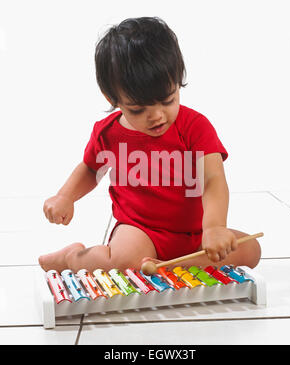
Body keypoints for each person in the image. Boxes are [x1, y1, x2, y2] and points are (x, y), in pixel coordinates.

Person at [39, 17, 261, 273]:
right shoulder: (109, 133)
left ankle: (168, 266)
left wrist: (214, 227)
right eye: (138, 109)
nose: (157, 115)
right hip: (139, 231)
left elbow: (212, 178)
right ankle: (72, 258)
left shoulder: (195, 127)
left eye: (168, 100)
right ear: (113, 98)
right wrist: (65, 196)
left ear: (178, 82)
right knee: (123, 260)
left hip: (195, 233)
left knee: (250, 251)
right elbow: (90, 169)